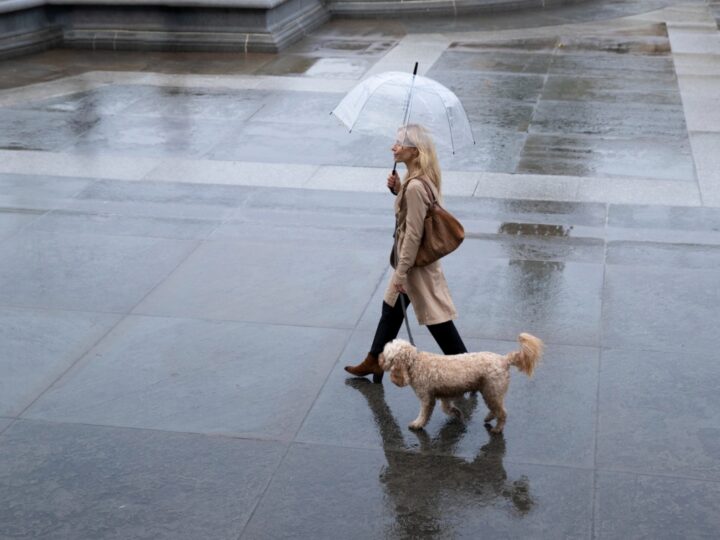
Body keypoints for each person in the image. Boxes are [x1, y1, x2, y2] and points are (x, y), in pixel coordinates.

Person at [345, 124, 467, 383]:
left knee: (437, 320)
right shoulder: (418, 180)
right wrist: (397, 189)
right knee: (390, 307)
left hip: (414, 265)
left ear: (415, 150)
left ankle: (466, 368)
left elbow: (413, 233)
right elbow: (415, 214)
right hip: (411, 262)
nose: (393, 146)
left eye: (399, 143)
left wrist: (401, 272)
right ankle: (375, 359)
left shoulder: (415, 187)